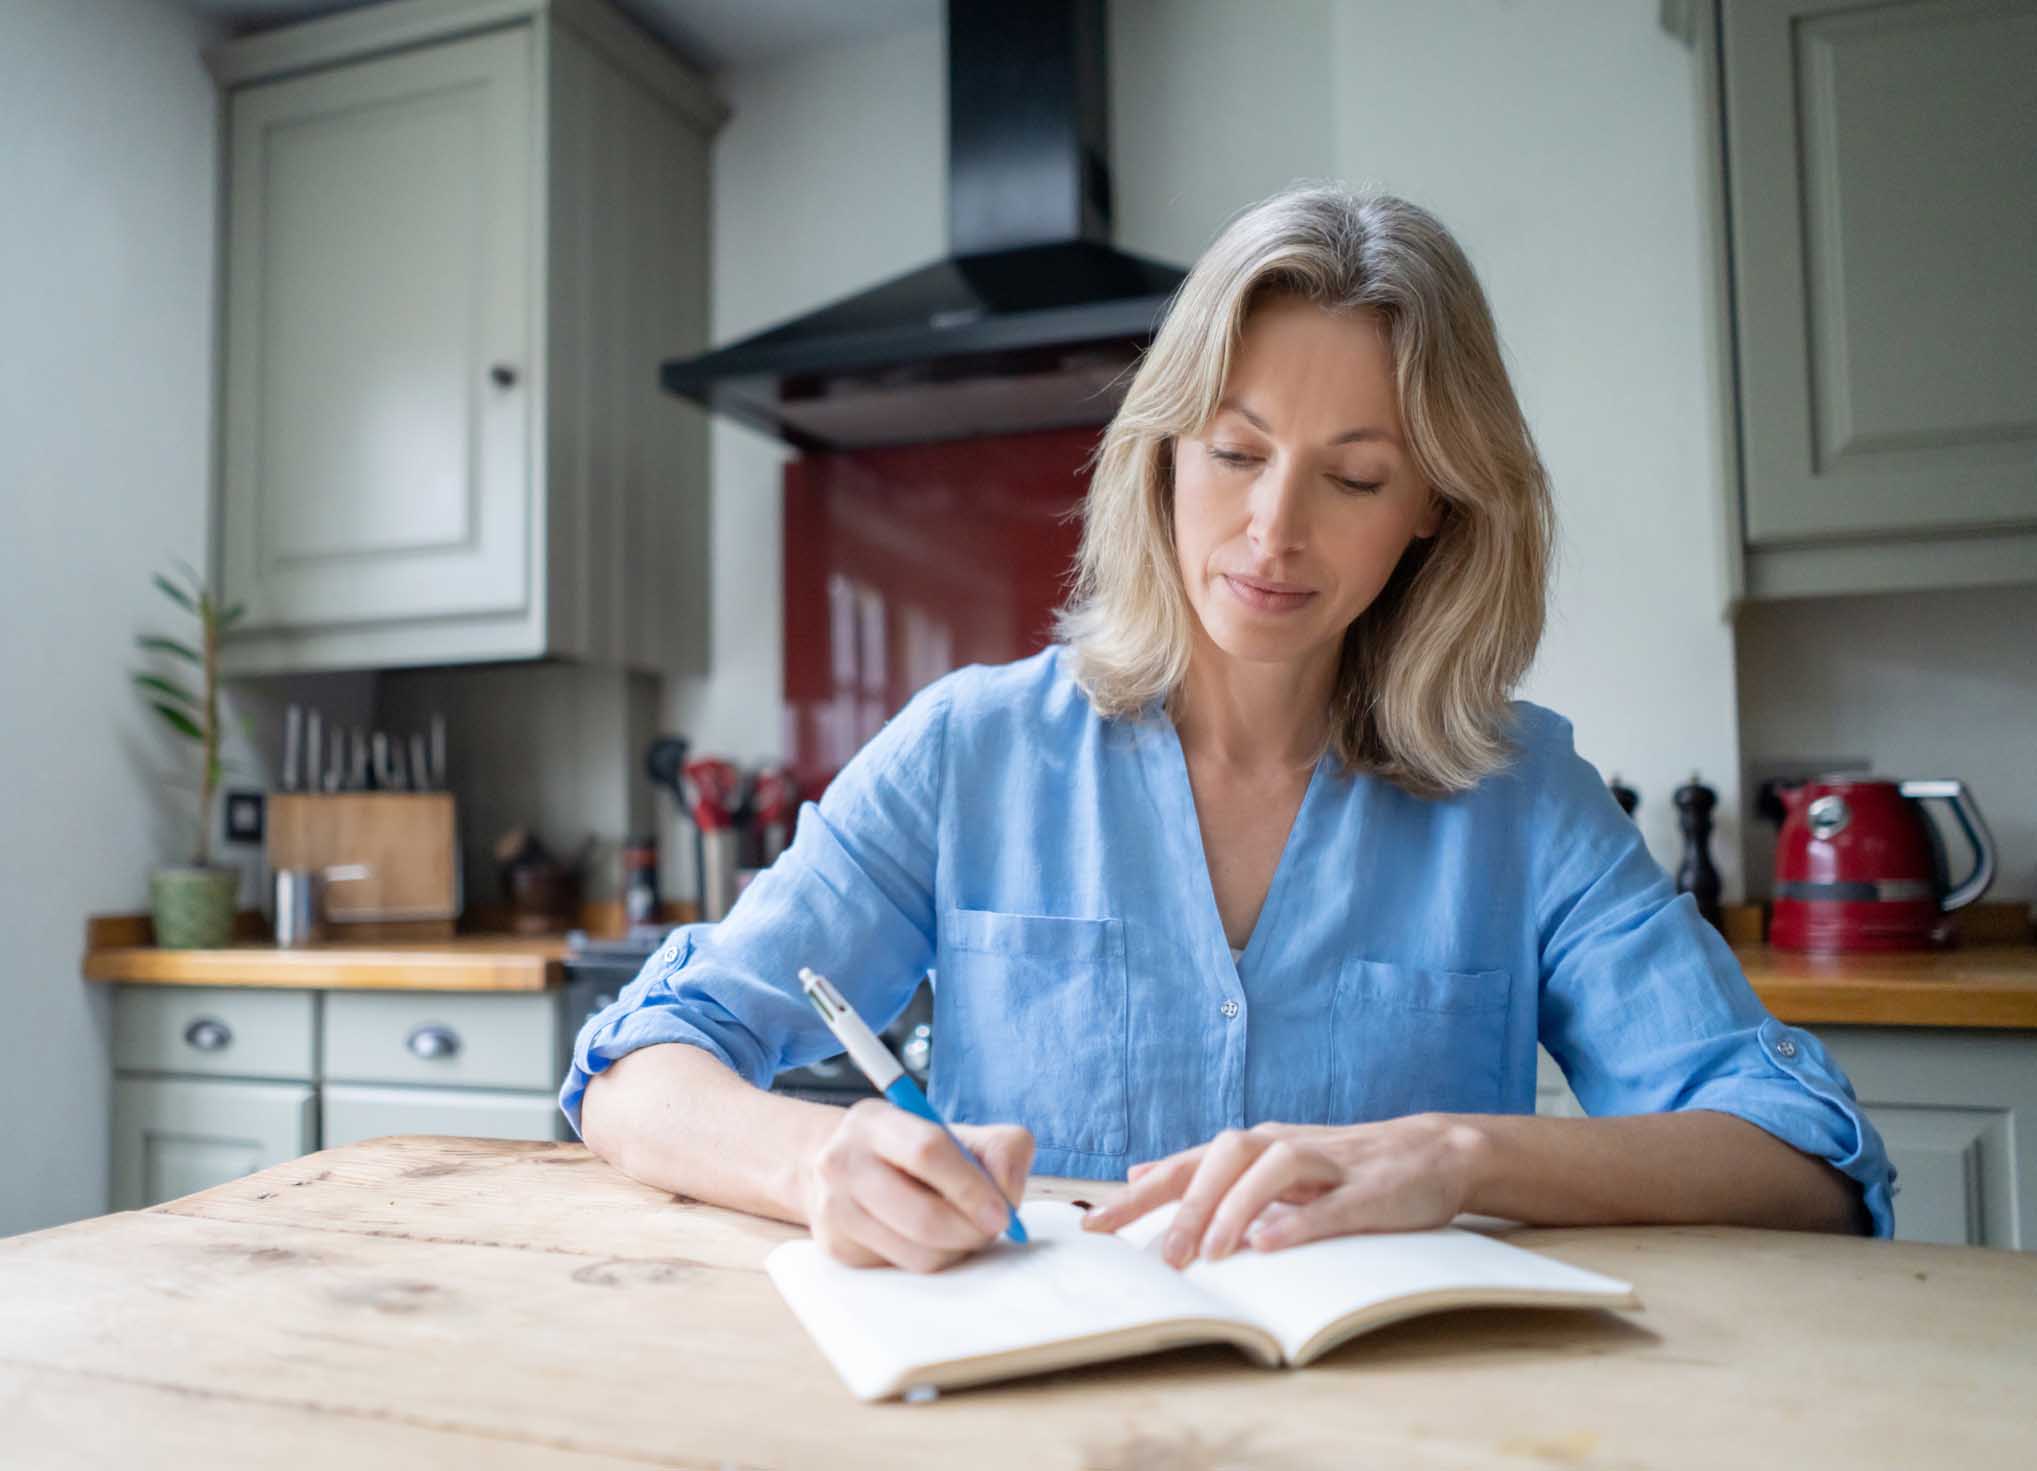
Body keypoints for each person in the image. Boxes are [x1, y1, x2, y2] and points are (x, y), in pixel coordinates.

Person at [561, 184, 1895, 1274]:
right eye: (1236, 452)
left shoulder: (1522, 796)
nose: (1272, 533)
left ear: (1434, 503)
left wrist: (1448, 1159)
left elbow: (1803, 1160)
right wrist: (816, 1161)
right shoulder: (966, 754)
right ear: (1161, 452)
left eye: (1355, 476)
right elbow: (633, 1067)